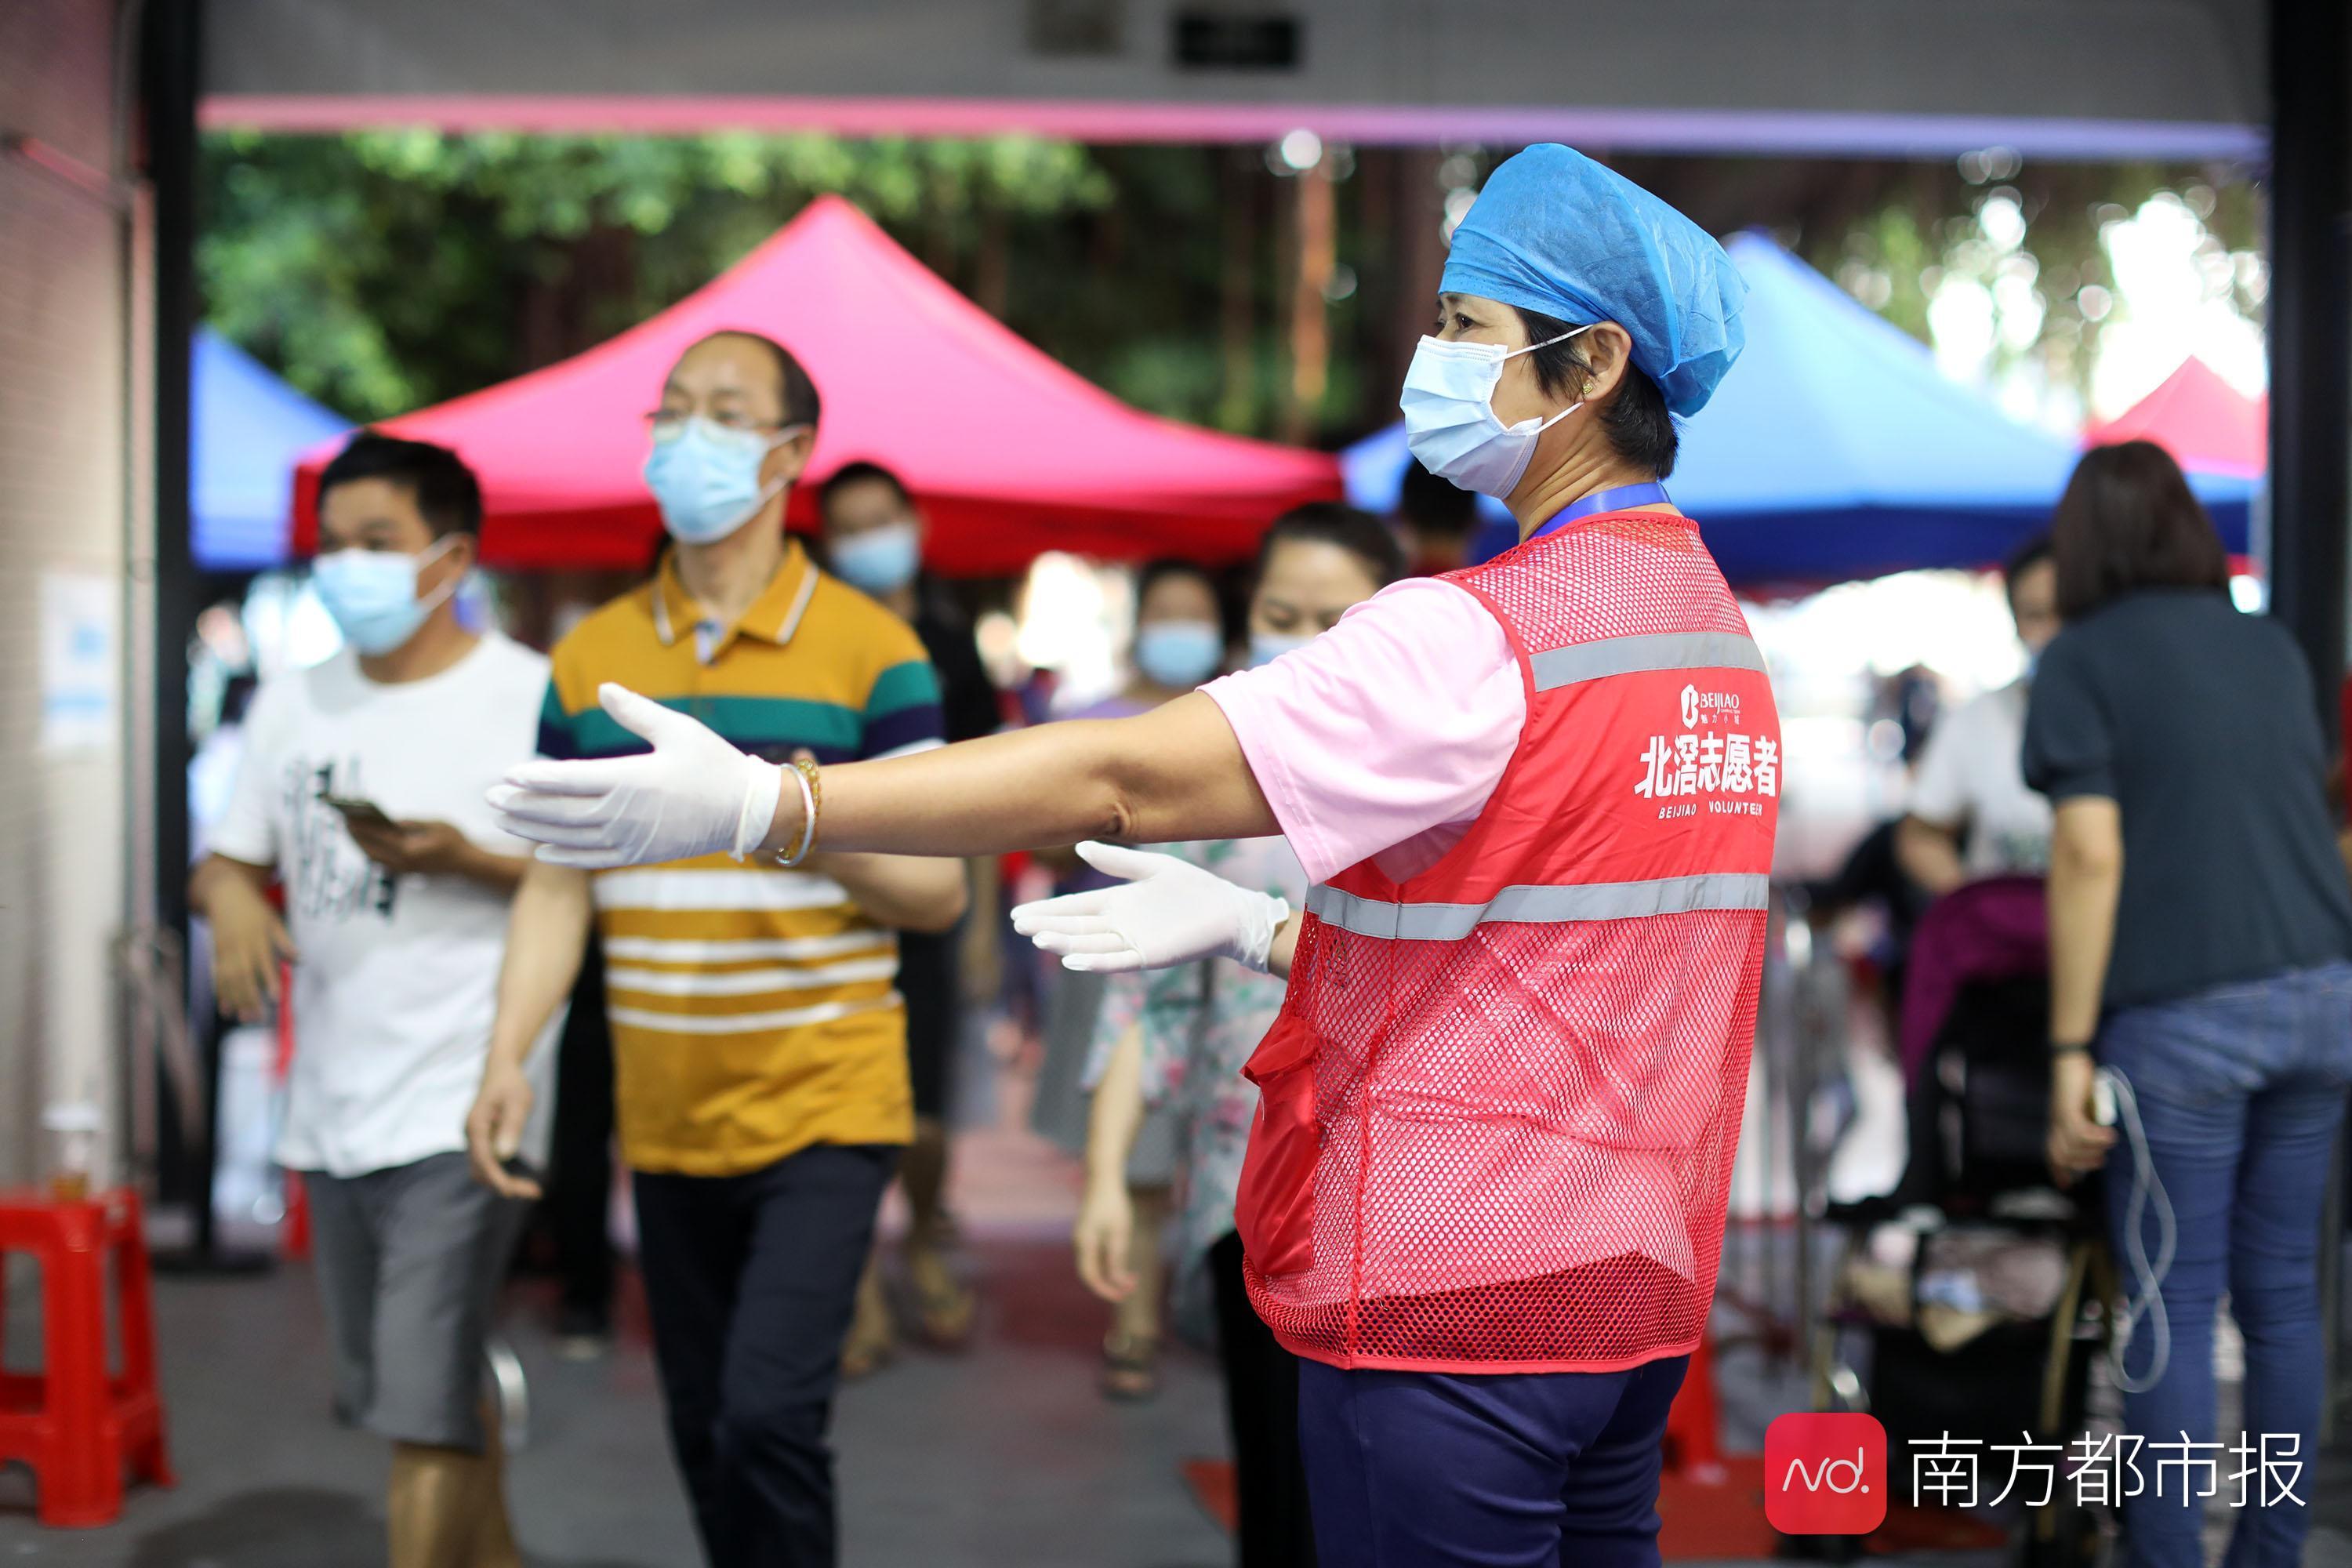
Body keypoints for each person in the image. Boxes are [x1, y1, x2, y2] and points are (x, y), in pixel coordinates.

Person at [488, 143, 1762, 1566]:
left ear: (1587, 368)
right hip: (1627, 1286)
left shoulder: (1478, 628)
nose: (1431, 357)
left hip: (1450, 1293)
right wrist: (1258, 929)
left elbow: (1121, 774)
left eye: (1466, 328)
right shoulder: (1707, 631)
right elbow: (1547, 954)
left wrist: (776, 809)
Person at [463, 329, 967, 1568]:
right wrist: (507, 1055)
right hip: (666, 1105)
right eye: (670, 409)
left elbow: (934, 893)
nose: (686, 433)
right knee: (700, 1426)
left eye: (723, 410)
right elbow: (557, 886)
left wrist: (769, 801)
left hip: (830, 1102)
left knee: (768, 1417)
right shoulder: (591, 659)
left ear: (788, 451)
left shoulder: (875, 652)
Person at [191, 432, 550, 1568]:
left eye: (376, 544)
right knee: (421, 1386)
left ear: (451, 558)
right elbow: (224, 860)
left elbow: (589, 885)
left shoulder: (534, 697)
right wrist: (233, 900)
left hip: (472, 1099)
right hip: (334, 1103)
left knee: (414, 1399)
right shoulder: (296, 703)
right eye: (333, 546)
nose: (349, 567)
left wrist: (462, 857)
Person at [2035, 441, 2352, 1568]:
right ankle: (2270, 1558)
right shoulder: (2269, 650)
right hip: (2323, 996)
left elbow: (2087, 854)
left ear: (2082, 547)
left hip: (2181, 1021)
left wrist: (2070, 1046)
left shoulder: (2082, 661)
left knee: (2171, 1306)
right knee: (2280, 1301)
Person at [1072, 502, 1405, 1568]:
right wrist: (1102, 1178)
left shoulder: (1431, 797)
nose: (1302, 640)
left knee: (1394, 1496)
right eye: (1278, 612)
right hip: (1247, 1202)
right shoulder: (1208, 799)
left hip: (1407, 1209)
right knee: (1277, 1487)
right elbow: (1153, 1007)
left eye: (1334, 619)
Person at [1025, 555, 1227, 1401]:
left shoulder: (1235, 711)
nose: (1183, 629)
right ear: (1141, 621)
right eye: (1168, 612)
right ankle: (1134, 1320)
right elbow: (1037, 842)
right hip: (1116, 950)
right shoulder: (1089, 721)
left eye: (1198, 612)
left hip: (1230, 956)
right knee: (1138, 1149)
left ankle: (1210, 1300)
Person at [816, 459, 1000, 1370]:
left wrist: (974, 923)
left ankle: (921, 1232)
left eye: (877, 520)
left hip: (927, 898)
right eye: (847, 526)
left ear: (912, 519)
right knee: (842, 1098)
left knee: (924, 1114)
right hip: (831, 900)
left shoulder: (949, 639)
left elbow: (987, 792)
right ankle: (851, 1286)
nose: (866, 540)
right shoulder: (817, 638)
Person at [1896, 535, 2061, 894]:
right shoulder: (1977, 719)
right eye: (2036, 615)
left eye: (2067, 612)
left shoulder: (2141, 718)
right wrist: (1978, 911)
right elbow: (1920, 834)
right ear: (2016, 624)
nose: (2053, 632)